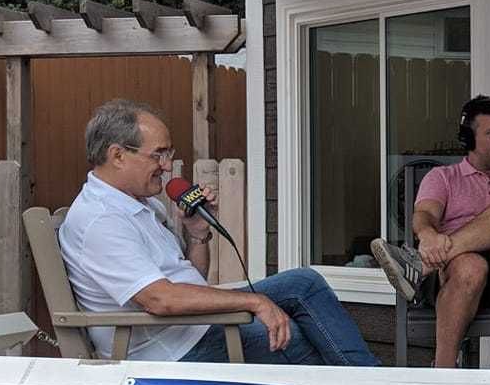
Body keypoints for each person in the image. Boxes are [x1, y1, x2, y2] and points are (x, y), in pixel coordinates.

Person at [59, 99, 379, 366]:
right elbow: (160, 299)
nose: (167, 166)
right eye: (159, 154)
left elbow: (189, 278)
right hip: (169, 351)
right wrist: (255, 302)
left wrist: (198, 234)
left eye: (168, 154)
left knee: (304, 282)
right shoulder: (101, 221)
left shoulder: (141, 204)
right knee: (293, 336)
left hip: (190, 327)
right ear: (117, 155)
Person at [372, 95, 490, 368]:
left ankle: (419, 266)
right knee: (471, 265)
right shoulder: (443, 177)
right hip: (454, 277)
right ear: (469, 139)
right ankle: (444, 372)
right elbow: (424, 215)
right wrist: (428, 235)